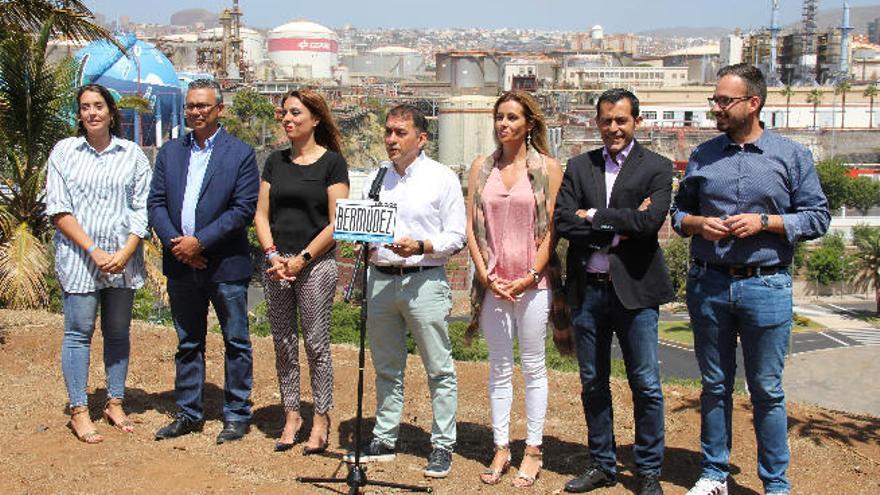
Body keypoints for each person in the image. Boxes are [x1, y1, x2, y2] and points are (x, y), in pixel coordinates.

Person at [671, 64, 830, 495]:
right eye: (715, 100)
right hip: (708, 284)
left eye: (725, 101)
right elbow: (678, 214)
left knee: (767, 390)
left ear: (753, 103)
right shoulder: (703, 155)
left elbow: (818, 217)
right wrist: (698, 223)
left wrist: (766, 222)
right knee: (714, 385)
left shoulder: (792, 155)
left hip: (766, 284)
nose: (716, 108)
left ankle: (776, 483)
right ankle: (713, 474)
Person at [554, 88, 674, 495]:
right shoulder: (579, 166)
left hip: (635, 293)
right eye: (606, 120)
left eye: (621, 120)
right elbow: (565, 223)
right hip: (588, 292)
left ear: (636, 122)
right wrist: (620, 222)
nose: (613, 128)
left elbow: (650, 223)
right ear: (597, 122)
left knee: (645, 384)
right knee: (592, 382)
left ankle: (648, 472)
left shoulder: (656, 167)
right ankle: (602, 464)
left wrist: (595, 217)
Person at [343, 105, 466, 478]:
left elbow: (456, 235)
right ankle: (384, 436)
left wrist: (422, 246)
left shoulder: (441, 178)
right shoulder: (377, 178)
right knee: (386, 366)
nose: (391, 139)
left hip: (423, 280)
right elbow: (366, 221)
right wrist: (357, 239)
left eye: (400, 133)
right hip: (380, 279)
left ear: (421, 138)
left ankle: (443, 444)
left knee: (438, 368)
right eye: (388, 132)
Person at [148, 79, 260, 444]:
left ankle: (236, 414)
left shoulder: (240, 153)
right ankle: (189, 413)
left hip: (225, 264)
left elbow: (242, 209)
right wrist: (178, 245)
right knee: (188, 343)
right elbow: (157, 204)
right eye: (191, 106)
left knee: (236, 341)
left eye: (203, 106)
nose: (196, 112)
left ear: (219, 110)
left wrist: (200, 243)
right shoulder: (170, 153)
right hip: (181, 264)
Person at [464, 91, 563, 488]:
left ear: (529, 124)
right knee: (500, 368)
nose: (503, 124)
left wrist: (530, 275)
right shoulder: (481, 168)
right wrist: (485, 275)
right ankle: (501, 445)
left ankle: (534, 449)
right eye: (499, 117)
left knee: (534, 366)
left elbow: (553, 229)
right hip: (494, 283)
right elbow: (471, 224)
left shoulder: (548, 168)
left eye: (512, 118)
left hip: (533, 284)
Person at [45, 83, 152, 444]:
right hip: (80, 258)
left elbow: (142, 207)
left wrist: (125, 252)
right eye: (85, 107)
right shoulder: (64, 152)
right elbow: (59, 209)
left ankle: (114, 401)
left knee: (118, 332)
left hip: (123, 260)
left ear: (111, 111)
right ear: (79, 114)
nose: (92, 112)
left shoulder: (132, 154)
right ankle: (78, 409)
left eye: (98, 106)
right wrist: (94, 250)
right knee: (78, 332)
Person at [254, 89, 349, 454]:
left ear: (315, 118)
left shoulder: (332, 163)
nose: (287, 119)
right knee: (283, 342)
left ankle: (321, 416)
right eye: (284, 113)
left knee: (316, 343)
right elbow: (261, 214)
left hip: (316, 264)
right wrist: (274, 254)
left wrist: (303, 259)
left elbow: (336, 221)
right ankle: (291, 413)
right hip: (277, 262)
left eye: (295, 113)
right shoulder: (275, 162)